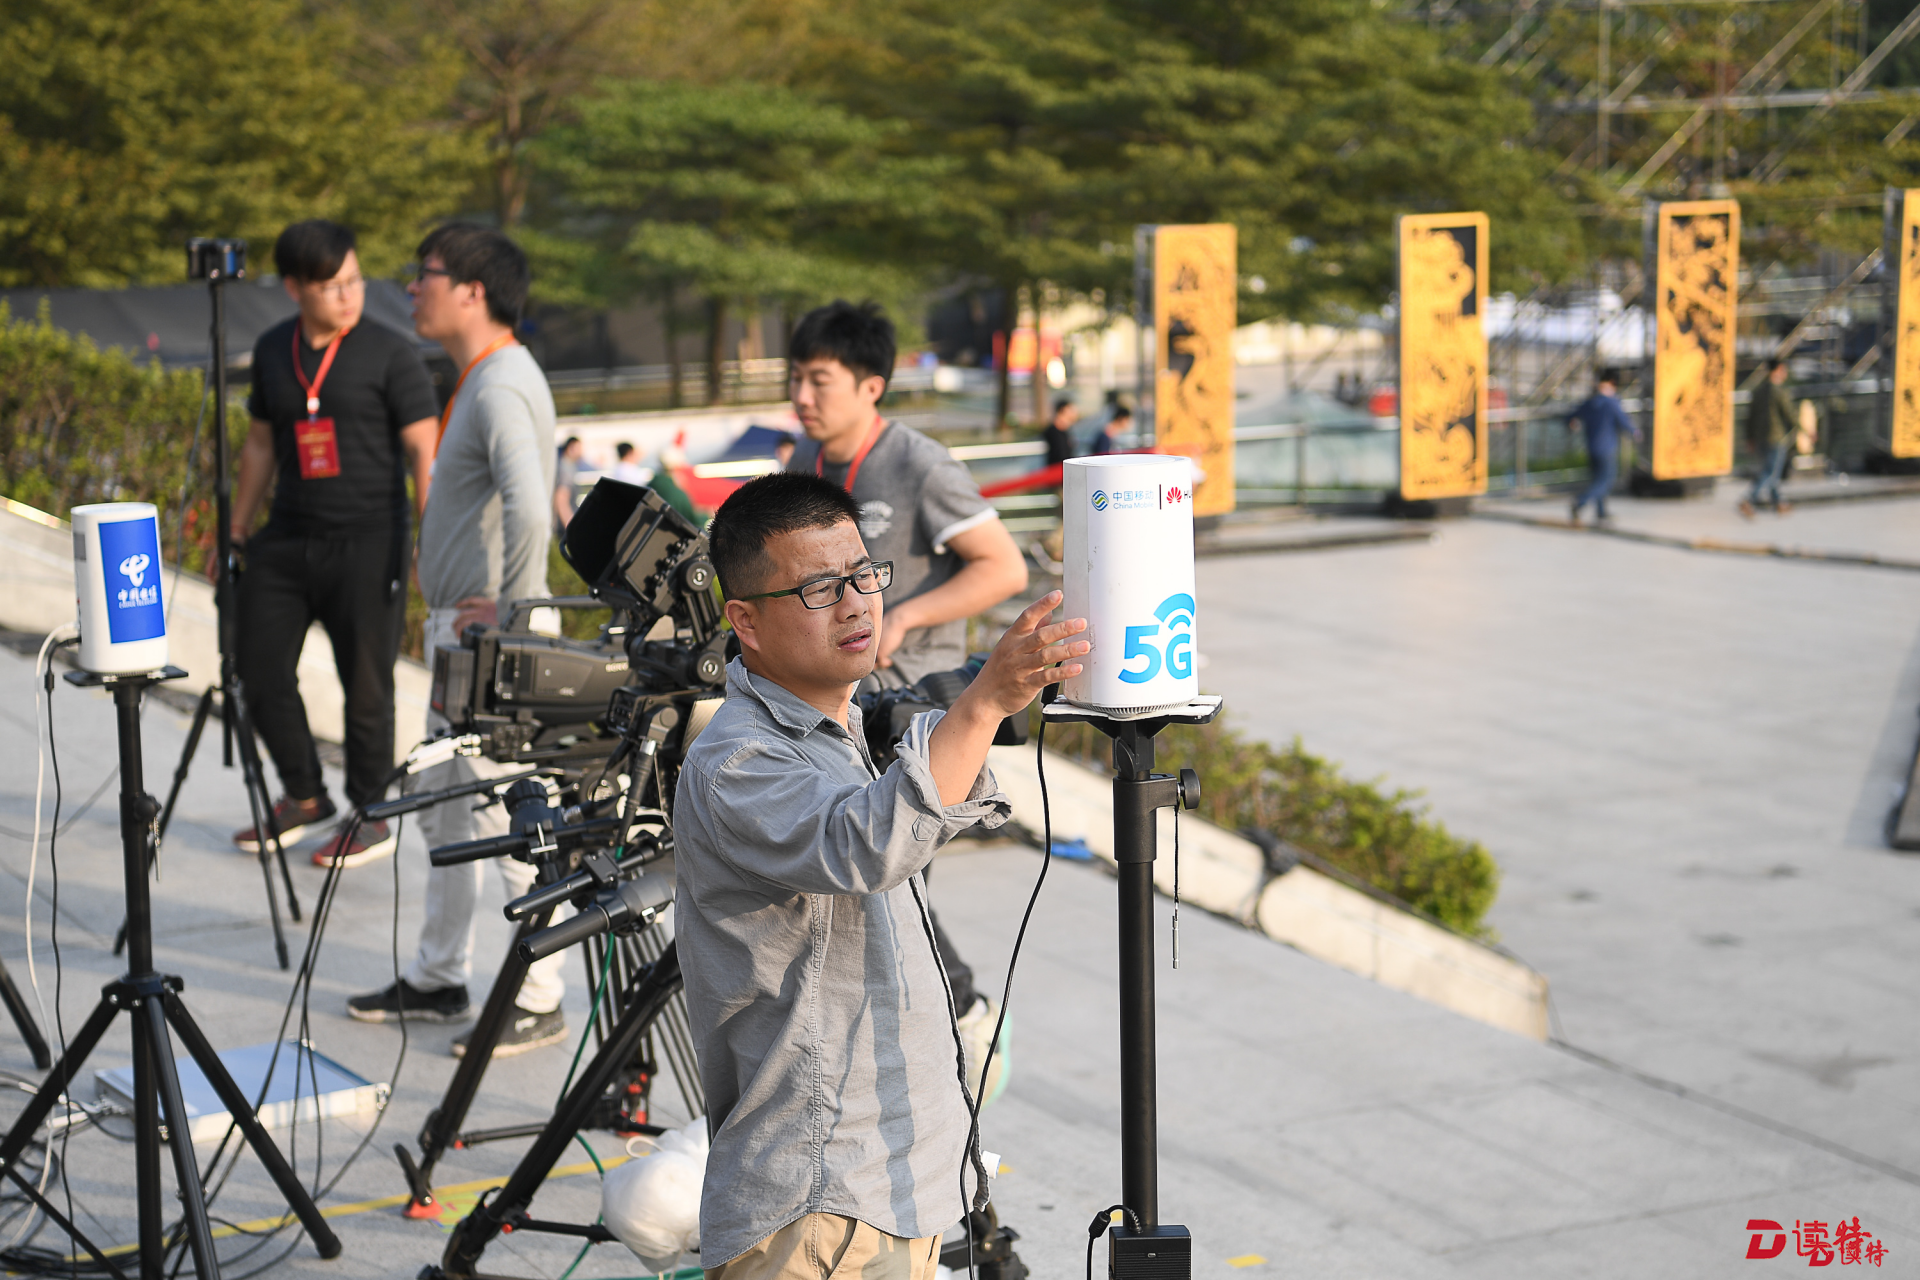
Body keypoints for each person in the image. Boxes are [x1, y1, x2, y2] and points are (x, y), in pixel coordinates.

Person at [674, 472, 1089, 1280]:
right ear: (745, 621)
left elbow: (921, 816)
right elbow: (863, 845)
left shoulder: (839, 729)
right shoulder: (739, 762)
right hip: (820, 1204)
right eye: (818, 589)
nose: (857, 604)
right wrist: (983, 703)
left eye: (863, 574)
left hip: (891, 1191)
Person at [347, 224, 568, 1055]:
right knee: (448, 816)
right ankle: (440, 978)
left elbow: (529, 504)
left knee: (513, 815)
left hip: (494, 645)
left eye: (426, 274)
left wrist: (511, 616)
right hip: (471, 640)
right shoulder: (484, 376)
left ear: (473, 292)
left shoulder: (501, 380)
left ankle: (538, 995)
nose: (413, 287)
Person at [231, 219, 440, 868]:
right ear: (294, 287)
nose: (349, 295)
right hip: (288, 535)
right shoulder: (274, 350)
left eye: (354, 280)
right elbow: (261, 444)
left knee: (367, 686)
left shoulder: (390, 352)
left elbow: (424, 451)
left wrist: (427, 541)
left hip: (370, 539)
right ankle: (303, 794)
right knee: (256, 666)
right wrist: (236, 528)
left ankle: (371, 814)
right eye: (331, 286)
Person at [784, 301, 1028, 690]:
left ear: (871, 388)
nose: (802, 396)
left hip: (913, 695)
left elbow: (1006, 569)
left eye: (820, 381)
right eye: (796, 378)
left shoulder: (920, 465)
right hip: (830, 689)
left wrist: (903, 617)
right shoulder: (803, 457)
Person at [1567, 373, 1640, 525]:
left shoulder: (1590, 402)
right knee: (1605, 481)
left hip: (1591, 447)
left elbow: (1571, 416)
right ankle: (1580, 501)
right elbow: (1623, 421)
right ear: (1612, 385)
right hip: (1607, 448)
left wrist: (1572, 423)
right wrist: (1635, 432)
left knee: (1598, 479)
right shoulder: (1611, 403)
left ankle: (1601, 512)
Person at [1741, 358, 1797, 519]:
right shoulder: (1779, 391)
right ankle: (1749, 500)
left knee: (1771, 470)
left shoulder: (1758, 390)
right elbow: (1790, 414)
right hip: (1776, 437)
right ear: (1778, 370)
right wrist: (1806, 430)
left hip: (1760, 437)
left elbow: (1750, 416)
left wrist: (1750, 438)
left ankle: (1779, 503)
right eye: (1783, 370)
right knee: (1770, 472)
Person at [553, 435, 584, 533]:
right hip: (563, 524)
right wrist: (570, 526)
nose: (581, 452)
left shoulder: (567, 465)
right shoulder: (566, 468)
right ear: (570, 448)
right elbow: (561, 499)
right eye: (579, 448)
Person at [1040, 395, 1080, 467]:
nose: (1075, 414)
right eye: (1071, 410)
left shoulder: (1066, 431)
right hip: (1057, 470)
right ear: (1063, 410)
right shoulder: (1053, 432)